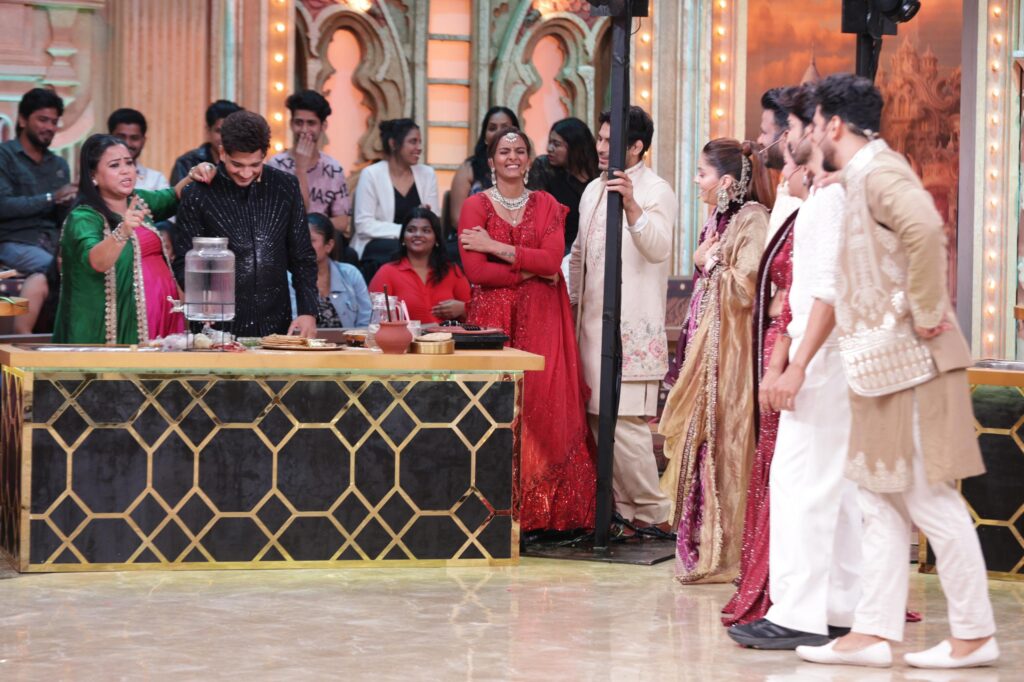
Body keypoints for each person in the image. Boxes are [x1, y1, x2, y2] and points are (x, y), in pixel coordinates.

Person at [795, 74, 997, 670]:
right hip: (883, 368)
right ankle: (873, 633)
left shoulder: (881, 173)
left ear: (834, 125)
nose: (812, 137)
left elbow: (926, 229)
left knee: (928, 499)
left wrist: (929, 312)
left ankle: (974, 635)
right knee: (879, 498)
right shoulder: (864, 175)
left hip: (913, 364)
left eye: (815, 125)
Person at [727, 83, 862, 650]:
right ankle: (835, 606)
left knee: (802, 484)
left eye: (795, 128)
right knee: (830, 485)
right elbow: (803, 295)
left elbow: (827, 294)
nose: (785, 140)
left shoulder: (831, 201)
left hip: (824, 358)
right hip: (821, 354)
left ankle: (799, 612)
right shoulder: (823, 197)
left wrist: (796, 366)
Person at [459, 127, 596, 533]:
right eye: (504, 151)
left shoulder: (547, 204)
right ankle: (496, 508)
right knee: (497, 408)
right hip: (494, 320)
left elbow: (551, 262)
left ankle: (547, 513)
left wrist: (496, 248)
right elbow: (476, 272)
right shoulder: (475, 206)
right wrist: (529, 270)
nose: (513, 157)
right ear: (491, 160)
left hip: (542, 317)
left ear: (529, 159)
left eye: (520, 150)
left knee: (543, 402)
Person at [657, 139, 770, 583]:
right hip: (706, 348)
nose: (696, 180)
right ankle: (702, 544)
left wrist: (711, 263)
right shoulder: (718, 219)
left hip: (732, 354)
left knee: (727, 440)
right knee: (702, 440)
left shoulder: (753, 218)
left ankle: (728, 552)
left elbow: (747, 286)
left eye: (702, 173)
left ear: (724, 182)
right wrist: (704, 261)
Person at [569, 106, 673, 538]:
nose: (600, 147)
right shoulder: (592, 189)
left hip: (632, 328)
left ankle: (655, 512)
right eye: (600, 138)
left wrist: (631, 204)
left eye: (610, 141)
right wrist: (569, 303)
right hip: (590, 325)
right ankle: (626, 513)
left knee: (625, 424)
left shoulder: (656, 189)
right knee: (598, 420)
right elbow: (579, 253)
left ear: (636, 147)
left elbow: (659, 247)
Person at [722, 140, 804, 626]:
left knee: (788, 467)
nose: (784, 168)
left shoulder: (812, 211)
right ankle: (770, 577)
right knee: (773, 462)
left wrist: (786, 361)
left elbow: (809, 293)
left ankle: (789, 587)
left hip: (792, 348)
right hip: (777, 339)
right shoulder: (790, 211)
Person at [52, 134, 216, 343]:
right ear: (93, 175)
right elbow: (96, 261)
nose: (126, 170)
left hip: (163, 315)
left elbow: (174, 195)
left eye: (129, 163)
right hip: (119, 327)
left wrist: (197, 171)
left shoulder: (138, 200)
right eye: (114, 165)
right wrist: (123, 230)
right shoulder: (84, 217)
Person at [174, 110, 318, 338]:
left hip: (276, 325)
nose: (245, 173)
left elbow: (303, 257)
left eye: (255, 164)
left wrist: (308, 311)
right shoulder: (198, 193)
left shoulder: (285, 187)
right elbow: (184, 259)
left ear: (264, 155)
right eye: (237, 164)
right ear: (222, 152)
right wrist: (202, 300)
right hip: (215, 327)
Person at [0, 88, 76, 274]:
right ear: (22, 120)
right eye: (43, 120)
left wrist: (72, 201)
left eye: (54, 122)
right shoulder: (5, 155)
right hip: (16, 242)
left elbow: (62, 220)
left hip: (53, 243)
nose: (50, 127)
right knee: (58, 270)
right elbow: (3, 206)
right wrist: (51, 198)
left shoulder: (59, 165)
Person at [267, 90, 352, 254]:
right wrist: (300, 168)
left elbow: (342, 222)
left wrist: (313, 231)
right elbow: (286, 215)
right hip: (285, 240)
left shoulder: (333, 168)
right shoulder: (276, 165)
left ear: (323, 126)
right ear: (291, 124)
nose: (304, 130)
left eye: (311, 123)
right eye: (299, 122)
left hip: (322, 244)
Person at [352, 119, 438, 281]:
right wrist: (406, 231)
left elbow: (435, 222)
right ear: (393, 144)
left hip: (420, 243)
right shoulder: (371, 174)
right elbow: (364, 224)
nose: (419, 147)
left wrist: (427, 217)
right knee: (394, 250)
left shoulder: (427, 174)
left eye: (420, 142)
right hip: (379, 244)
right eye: (413, 142)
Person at [369, 207, 470, 324]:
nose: (418, 234)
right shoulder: (387, 272)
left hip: (449, 336)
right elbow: (375, 321)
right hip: (403, 336)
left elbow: (477, 315)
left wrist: (462, 309)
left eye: (426, 231)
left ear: (436, 239)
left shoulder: (452, 271)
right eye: (411, 230)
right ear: (403, 238)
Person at [529, 117, 599, 257]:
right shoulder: (544, 167)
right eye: (550, 142)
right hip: (556, 249)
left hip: (593, 249)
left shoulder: (597, 173)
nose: (549, 149)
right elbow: (536, 214)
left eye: (556, 144)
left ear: (575, 147)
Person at [289, 213, 370, 329]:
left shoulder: (351, 274)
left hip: (350, 341)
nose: (303, 246)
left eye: (311, 240)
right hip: (303, 341)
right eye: (300, 240)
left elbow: (366, 322)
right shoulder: (288, 279)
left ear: (329, 245)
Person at [449, 106, 520, 229]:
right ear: (485, 137)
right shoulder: (469, 168)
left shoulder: (525, 167)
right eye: (492, 128)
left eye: (505, 128)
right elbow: (457, 219)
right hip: (473, 235)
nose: (498, 132)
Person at [758, 87, 802, 244]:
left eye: (764, 132)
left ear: (786, 136)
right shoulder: (785, 183)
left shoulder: (805, 191)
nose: (759, 140)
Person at [169, 99, 243, 185]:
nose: (224, 137)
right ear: (208, 131)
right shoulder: (186, 162)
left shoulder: (245, 164)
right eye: (219, 131)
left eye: (231, 131)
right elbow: (177, 192)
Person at [108, 108, 169, 191]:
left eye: (134, 138)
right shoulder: (99, 176)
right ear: (109, 138)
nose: (127, 143)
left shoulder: (156, 180)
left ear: (143, 141)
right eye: (121, 137)